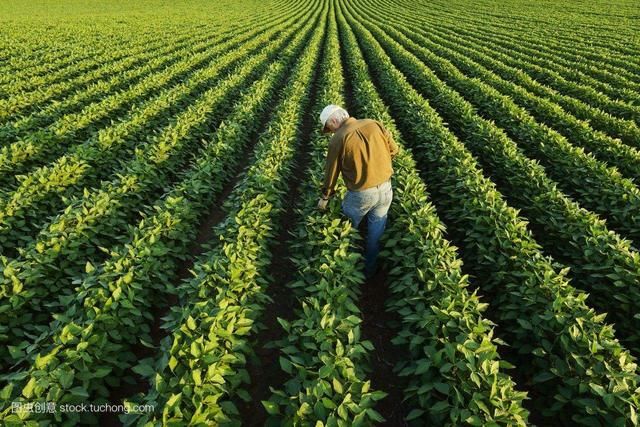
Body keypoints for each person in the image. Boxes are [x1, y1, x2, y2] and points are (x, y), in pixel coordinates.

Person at [317, 104, 398, 278]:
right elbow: (394, 150)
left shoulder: (338, 138)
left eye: (329, 127)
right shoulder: (374, 123)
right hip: (386, 188)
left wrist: (326, 196)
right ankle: (370, 270)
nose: (330, 131)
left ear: (334, 120)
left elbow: (331, 172)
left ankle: (347, 271)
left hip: (361, 194)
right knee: (375, 232)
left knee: (347, 230)